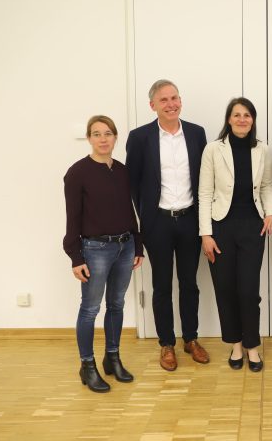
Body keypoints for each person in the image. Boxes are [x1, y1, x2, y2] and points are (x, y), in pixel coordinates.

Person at [125, 79, 209, 371]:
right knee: (161, 286)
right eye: (164, 100)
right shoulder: (139, 138)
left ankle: (191, 339)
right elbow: (132, 184)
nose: (172, 104)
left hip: (189, 220)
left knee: (190, 284)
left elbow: (204, 178)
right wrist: (145, 218)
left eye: (175, 98)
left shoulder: (197, 134)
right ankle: (167, 344)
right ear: (153, 106)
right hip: (158, 223)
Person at [63, 115, 145, 393]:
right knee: (90, 309)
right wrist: (76, 256)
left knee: (117, 305)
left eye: (108, 133)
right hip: (94, 249)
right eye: (96, 134)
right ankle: (87, 365)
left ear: (115, 137)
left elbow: (129, 210)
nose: (103, 139)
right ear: (89, 138)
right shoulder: (77, 173)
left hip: (125, 247)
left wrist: (138, 243)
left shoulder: (122, 171)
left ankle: (113, 357)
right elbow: (72, 218)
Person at [199, 97, 272, 372]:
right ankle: (235, 345)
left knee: (248, 290)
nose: (242, 119)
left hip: (253, 228)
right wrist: (205, 234)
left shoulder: (262, 150)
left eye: (247, 115)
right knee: (225, 289)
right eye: (237, 115)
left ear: (252, 119)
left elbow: (266, 186)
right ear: (229, 119)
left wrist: (271, 213)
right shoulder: (213, 150)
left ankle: (252, 347)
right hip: (220, 227)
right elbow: (205, 193)